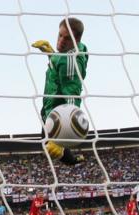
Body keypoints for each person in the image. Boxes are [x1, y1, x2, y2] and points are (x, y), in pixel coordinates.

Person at [32, 17, 89, 165]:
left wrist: (61, 139)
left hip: (57, 111)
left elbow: (72, 98)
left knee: (48, 144)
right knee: (44, 141)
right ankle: (71, 159)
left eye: (67, 38)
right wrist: (52, 55)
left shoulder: (69, 61)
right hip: (50, 104)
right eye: (60, 35)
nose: (61, 41)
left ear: (76, 41)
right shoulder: (76, 50)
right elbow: (65, 71)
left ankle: (72, 160)